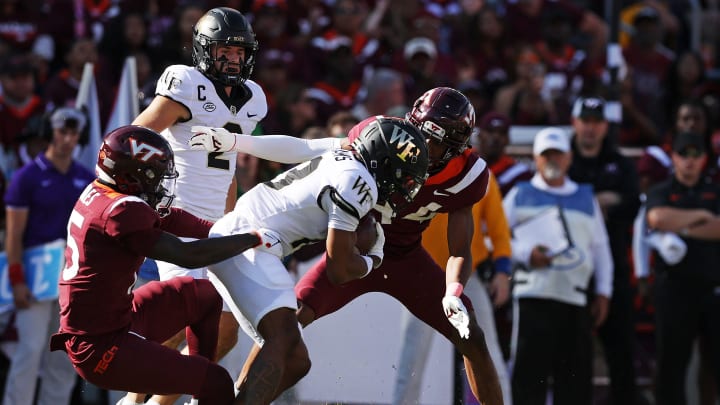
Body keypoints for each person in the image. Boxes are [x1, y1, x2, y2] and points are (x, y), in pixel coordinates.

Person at [192, 87, 504, 404]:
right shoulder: (383, 134)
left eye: (436, 145)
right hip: (353, 247)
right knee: (287, 322)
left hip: (407, 259)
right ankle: (239, 397)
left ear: (455, 150)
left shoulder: (468, 174)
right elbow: (310, 148)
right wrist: (369, 257)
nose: (421, 148)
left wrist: (454, 290)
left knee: (472, 336)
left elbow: (460, 248)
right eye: (421, 135)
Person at [189, 116, 430, 404]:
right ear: (384, 160)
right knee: (283, 342)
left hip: (249, 239)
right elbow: (338, 269)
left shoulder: (345, 156)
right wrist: (373, 259)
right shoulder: (358, 181)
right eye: (403, 174)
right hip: (252, 242)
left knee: (296, 360)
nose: (404, 185)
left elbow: (297, 146)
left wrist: (235, 142)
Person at [47, 125, 264, 405]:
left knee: (206, 295)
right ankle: (202, 382)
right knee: (218, 381)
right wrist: (252, 239)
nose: (161, 185)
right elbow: (188, 255)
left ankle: (199, 387)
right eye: (155, 176)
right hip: (103, 347)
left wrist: (224, 231)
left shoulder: (102, 192)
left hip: (116, 320)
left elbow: (170, 217)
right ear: (131, 174)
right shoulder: (121, 212)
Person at [125, 7, 269, 404]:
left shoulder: (252, 98)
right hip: (176, 219)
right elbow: (135, 137)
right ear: (205, 50)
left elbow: (228, 169)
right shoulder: (187, 84)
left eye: (240, 53)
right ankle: (137, 400)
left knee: (226, 331)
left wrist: (230, 215)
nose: (233, 59)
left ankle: (157, 401)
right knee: (186, 319)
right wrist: (139, 193)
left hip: (215, 225)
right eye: (225, 50)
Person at [503, 127, 613, 405]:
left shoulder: (587, 197)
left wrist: (603, 291)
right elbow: (496, 239)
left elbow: (600, 248)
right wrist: (527, 254)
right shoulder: (519, 193)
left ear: (569, 158)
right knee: (528, 379)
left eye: (558, 154)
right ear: (536, 159)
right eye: (546, 154)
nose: (553, 160)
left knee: (574, 382)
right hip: (532, 297)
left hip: (574, 298)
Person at [392, 171, 513, 405]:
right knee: (411, 362)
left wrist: (502, 270)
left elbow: (499, 229)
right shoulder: (418, 166)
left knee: (490, 357)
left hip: (468, 278)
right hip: (422, 276)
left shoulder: (479, 171)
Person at [2, 107, 94, 405]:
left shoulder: (85, 177)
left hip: (72, 278)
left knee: (65, 356)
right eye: (62, 132)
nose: (68, 139)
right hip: (35, 276)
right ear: (49, 133)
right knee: (29, 350)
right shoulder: (27, 177)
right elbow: (14, 235)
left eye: (74, 133)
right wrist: (16, 279)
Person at [566, 96, 640, 405]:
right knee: (572, 355)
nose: (591, 128)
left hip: (615, 269)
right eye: (586, 121)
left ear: (605, 126)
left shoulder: (621, 163)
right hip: (573, 270)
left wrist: (587, 204)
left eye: (597, 122)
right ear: (575, 123)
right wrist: (601, 202)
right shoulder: (564, 158)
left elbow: (633, 205)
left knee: (621, 351)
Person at [645, 131, 720, 405]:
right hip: (674, 291)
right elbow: (656, 217)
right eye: (683, 154)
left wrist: (680, 227)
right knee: (671, 367)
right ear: (673, 157)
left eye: (695, 154)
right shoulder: (661, 190)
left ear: (704, 159)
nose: (689, 161)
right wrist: (700, 218)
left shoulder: (716, 189)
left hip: (713, 290)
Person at [476, 111, 533, 196]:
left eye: (502, 132)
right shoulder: (464, 163)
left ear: (508, 139)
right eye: (490, 131)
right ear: (479, 135)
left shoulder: (520, 174)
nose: (496, 137)